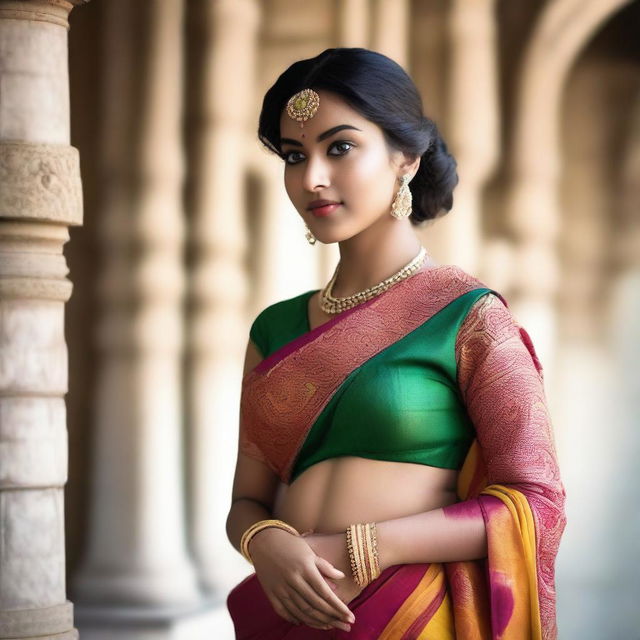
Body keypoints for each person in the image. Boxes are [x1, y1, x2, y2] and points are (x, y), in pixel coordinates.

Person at [225, 47, 566, 639]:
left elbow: (536, 503)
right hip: (284, 614)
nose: (312, 178)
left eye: (340, 147)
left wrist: (360, 547)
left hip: (407, 613)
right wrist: (267, 544)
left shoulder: (468, 316)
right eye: (293, 155)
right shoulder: (273, 329)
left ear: (406, 157)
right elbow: (247, 502)